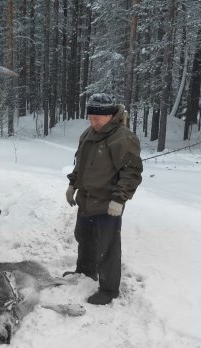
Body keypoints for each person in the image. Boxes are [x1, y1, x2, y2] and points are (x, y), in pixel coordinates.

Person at [65, 93, 143, 305]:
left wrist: (119, 199)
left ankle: (109, 289)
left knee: (107, 246)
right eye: (90, 117)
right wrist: (73, 184)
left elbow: (132, 173)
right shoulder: (88, 134)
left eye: (97, 118)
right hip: (87, 199)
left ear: (110, 115)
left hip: (109, 203)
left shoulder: (123, 138)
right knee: (84, 236)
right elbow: (80, 163)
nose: (93, 122)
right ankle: (85, 271)